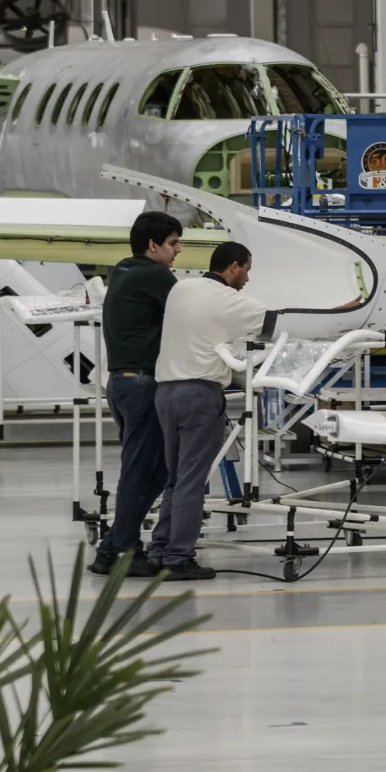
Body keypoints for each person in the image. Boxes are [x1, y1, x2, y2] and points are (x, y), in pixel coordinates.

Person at [149, 241, 270, 582]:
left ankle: (159, 550)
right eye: (246, 269)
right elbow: (278, 324)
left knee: (175, 478)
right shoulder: (231, 300)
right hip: (198, 395)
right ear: (233, 267)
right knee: (192, 480)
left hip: (166, 392)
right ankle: (178, 556)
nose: (247, 278)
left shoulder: (181, 288)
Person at [90, 210, 183, 577]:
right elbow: (189, 311)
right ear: (153, 245)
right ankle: (125, 551)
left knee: (156, 470)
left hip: (121, 384)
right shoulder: (156, 275)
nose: (178, 251)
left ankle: (110, 548)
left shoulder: (123, 271)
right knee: (140, 472)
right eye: (174, 243)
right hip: (143, 385)